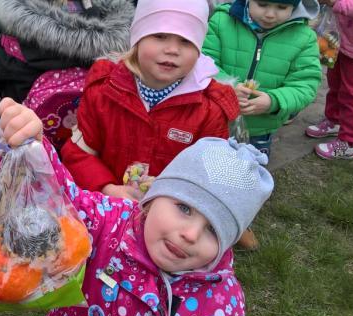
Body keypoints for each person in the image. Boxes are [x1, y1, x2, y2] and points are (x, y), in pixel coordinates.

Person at [0, 98, 274, 316]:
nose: (191, 234)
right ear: (155, 196)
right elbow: (63, 202)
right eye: (184, 208)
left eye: (213, 230)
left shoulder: (224, 304)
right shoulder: (110, 223)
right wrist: (35, 150)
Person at [60, 0, 239, 200]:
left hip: (170, 218)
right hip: (107, 208)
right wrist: (108, 188)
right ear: (138, 39)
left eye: (186, 41)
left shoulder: (209, 110)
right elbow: (79, 153)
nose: (173, 49)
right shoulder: (104, 91)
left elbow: (209, 180)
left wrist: (170, 204)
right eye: (160, 36)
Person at [203, 0, 322, 157]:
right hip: (214, 118)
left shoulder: (304, 38)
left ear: (295, 6)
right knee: (208, 163)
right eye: (262, 4)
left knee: (249, 170)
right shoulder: (221, 21)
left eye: (281, 7)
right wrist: (227, 87)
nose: (270, 14)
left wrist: (274, 101)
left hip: (260, 128)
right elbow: (204, 62)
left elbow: (305, 83)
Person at [0, 0, 136, 102]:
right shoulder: (114, 21)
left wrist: (20, 50)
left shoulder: (9, 9)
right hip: (81, 133)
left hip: (23, 125)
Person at [306, 0, 353, 160]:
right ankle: (334, 120)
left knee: (351, 95)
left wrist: (336, 2)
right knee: (335, 85)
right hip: (340, 41)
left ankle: (349, 143)